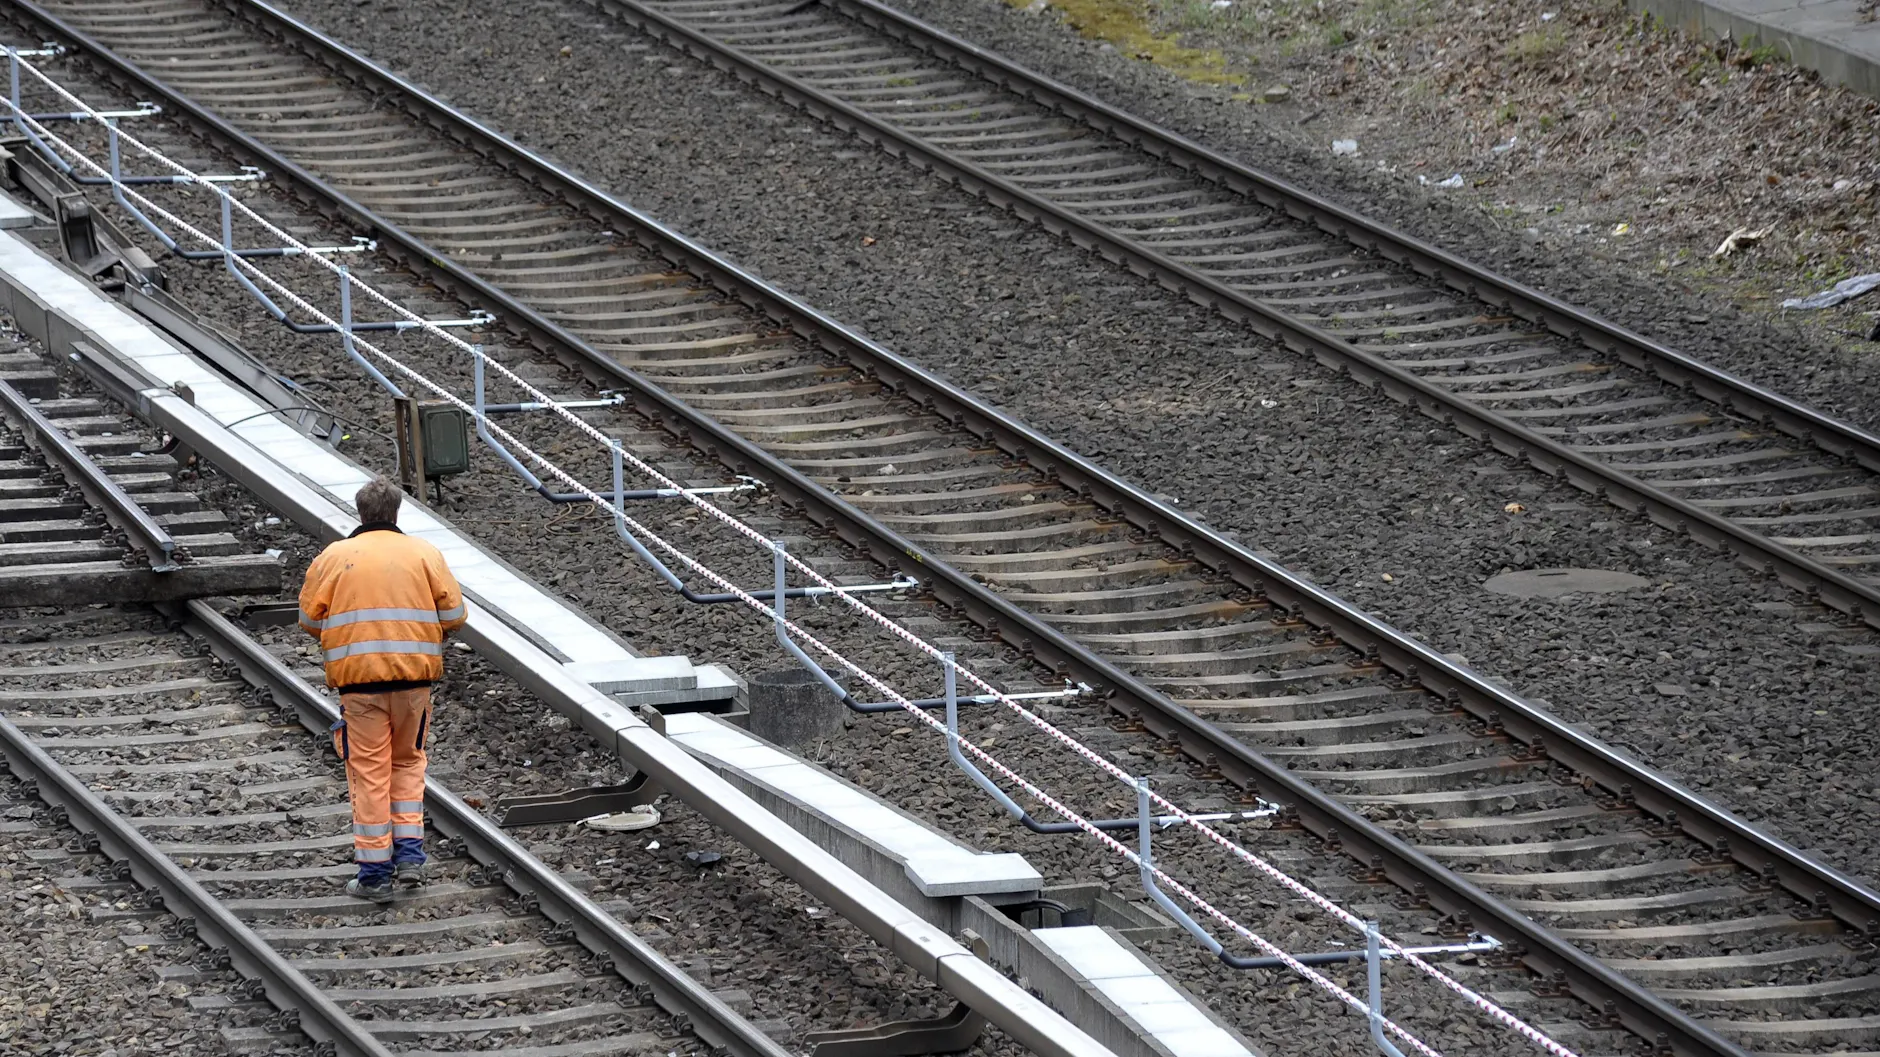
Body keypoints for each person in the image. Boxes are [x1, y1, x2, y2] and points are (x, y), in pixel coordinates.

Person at [298, 477, 466, 902]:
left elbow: (310, 620)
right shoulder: (424, 554)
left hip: (360, 686)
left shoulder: (334, 557)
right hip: (414, 684)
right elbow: (454, 615)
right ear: (396, 512)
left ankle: (374, 875)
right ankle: (409, 857)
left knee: (370, 773)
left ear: (360, 512)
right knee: (408, 763)